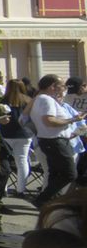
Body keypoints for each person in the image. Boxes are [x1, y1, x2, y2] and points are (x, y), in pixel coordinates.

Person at [29, 75, 87, 204]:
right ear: (52, 87)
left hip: (50, 140)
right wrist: (73, 119)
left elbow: (23, 119)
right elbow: (49, 121)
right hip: (55, 140)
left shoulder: (38, 98)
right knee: (70, 174)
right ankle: (42, 199)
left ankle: (49, 201)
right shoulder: (47, 100)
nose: (64, 89)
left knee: (55, 173)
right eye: (62, 86)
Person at [0, 79, 37, 198]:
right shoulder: (28, 101)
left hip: (6, 134)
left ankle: (3, 188)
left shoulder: (2, 101)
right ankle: (21, 190)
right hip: (24, 134)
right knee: (22, 161)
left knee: (4, 162)